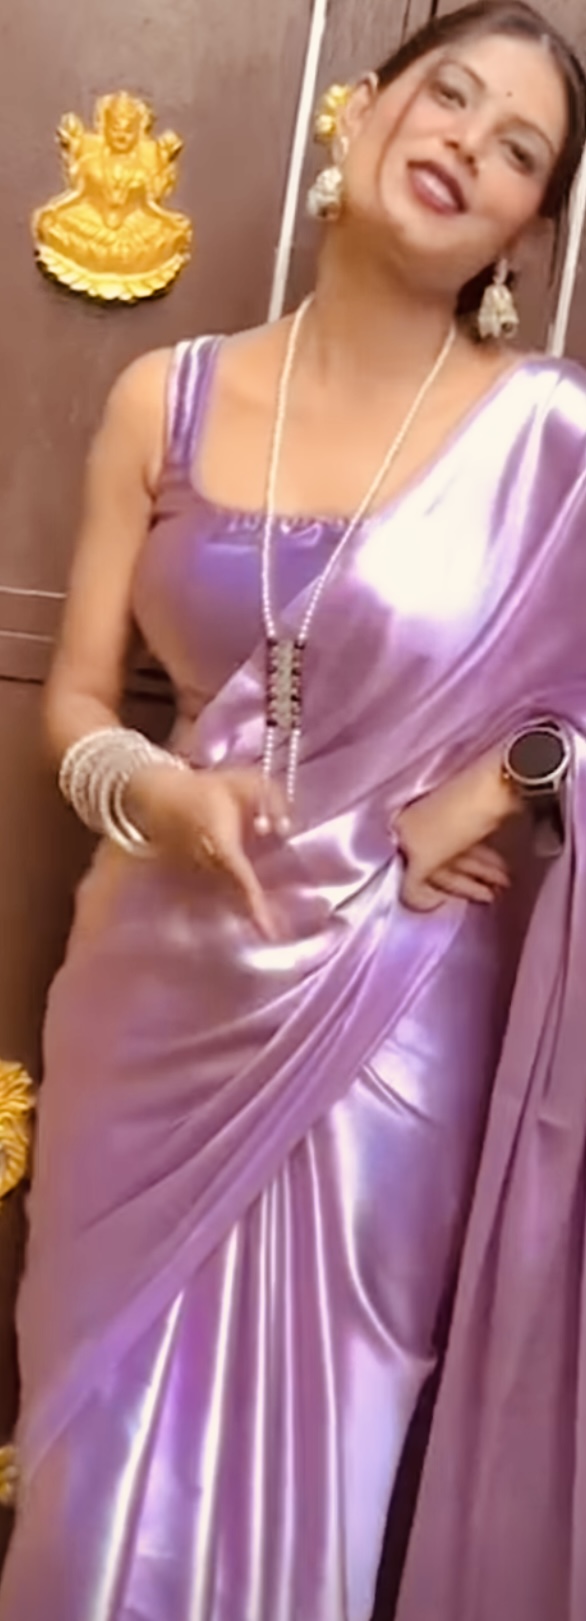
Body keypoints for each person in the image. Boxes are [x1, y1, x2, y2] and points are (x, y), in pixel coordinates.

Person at [1, 3, 586, 1617]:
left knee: (319, 1463)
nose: (463, 140)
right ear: (362, 108)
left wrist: (510, 779)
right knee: (95, 1480)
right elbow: (73, 705)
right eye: (445, 93)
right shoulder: (166, 398)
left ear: (523, 229)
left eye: (516, 147)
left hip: (393, 1013)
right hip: (154, 994)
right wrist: (162, 792)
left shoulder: (552, 443)